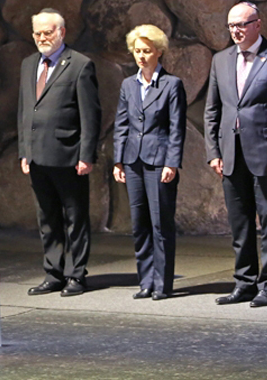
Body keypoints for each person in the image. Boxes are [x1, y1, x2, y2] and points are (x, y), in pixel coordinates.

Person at [204, 2, 267, 307]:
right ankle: (244, 283)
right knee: (240, 224)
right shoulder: (220, 60)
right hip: (231, 155)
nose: (236, 31)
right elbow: (212, 110)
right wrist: (213, 152)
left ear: (257, 24)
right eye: (231, 26)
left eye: (241, 25)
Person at [17, 8, 101, 297]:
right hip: (37, 156)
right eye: (37, 33)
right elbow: (24, 111)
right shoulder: (28, 64)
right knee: (47, 218)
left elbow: (91, 115)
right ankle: (53, 273)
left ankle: (76, 275)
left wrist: (86, 155)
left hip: (69, 156)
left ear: (61, 32)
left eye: (47, 32)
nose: (42, 37)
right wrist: (23, 151)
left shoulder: (79, 65)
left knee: (75, 217)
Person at [113, 24, 186, 301]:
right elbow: (121, 125)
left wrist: (172, 162)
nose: (141, 56)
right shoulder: (128, 85)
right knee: (139, 223)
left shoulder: (172, 84)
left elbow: (177, 128)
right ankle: (145, 281)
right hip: (133, 161)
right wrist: (118, 161)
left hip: (159, 161)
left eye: (146, 51)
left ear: (159, 52)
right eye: (137, 51)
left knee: (160, 224)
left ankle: (162, 284)